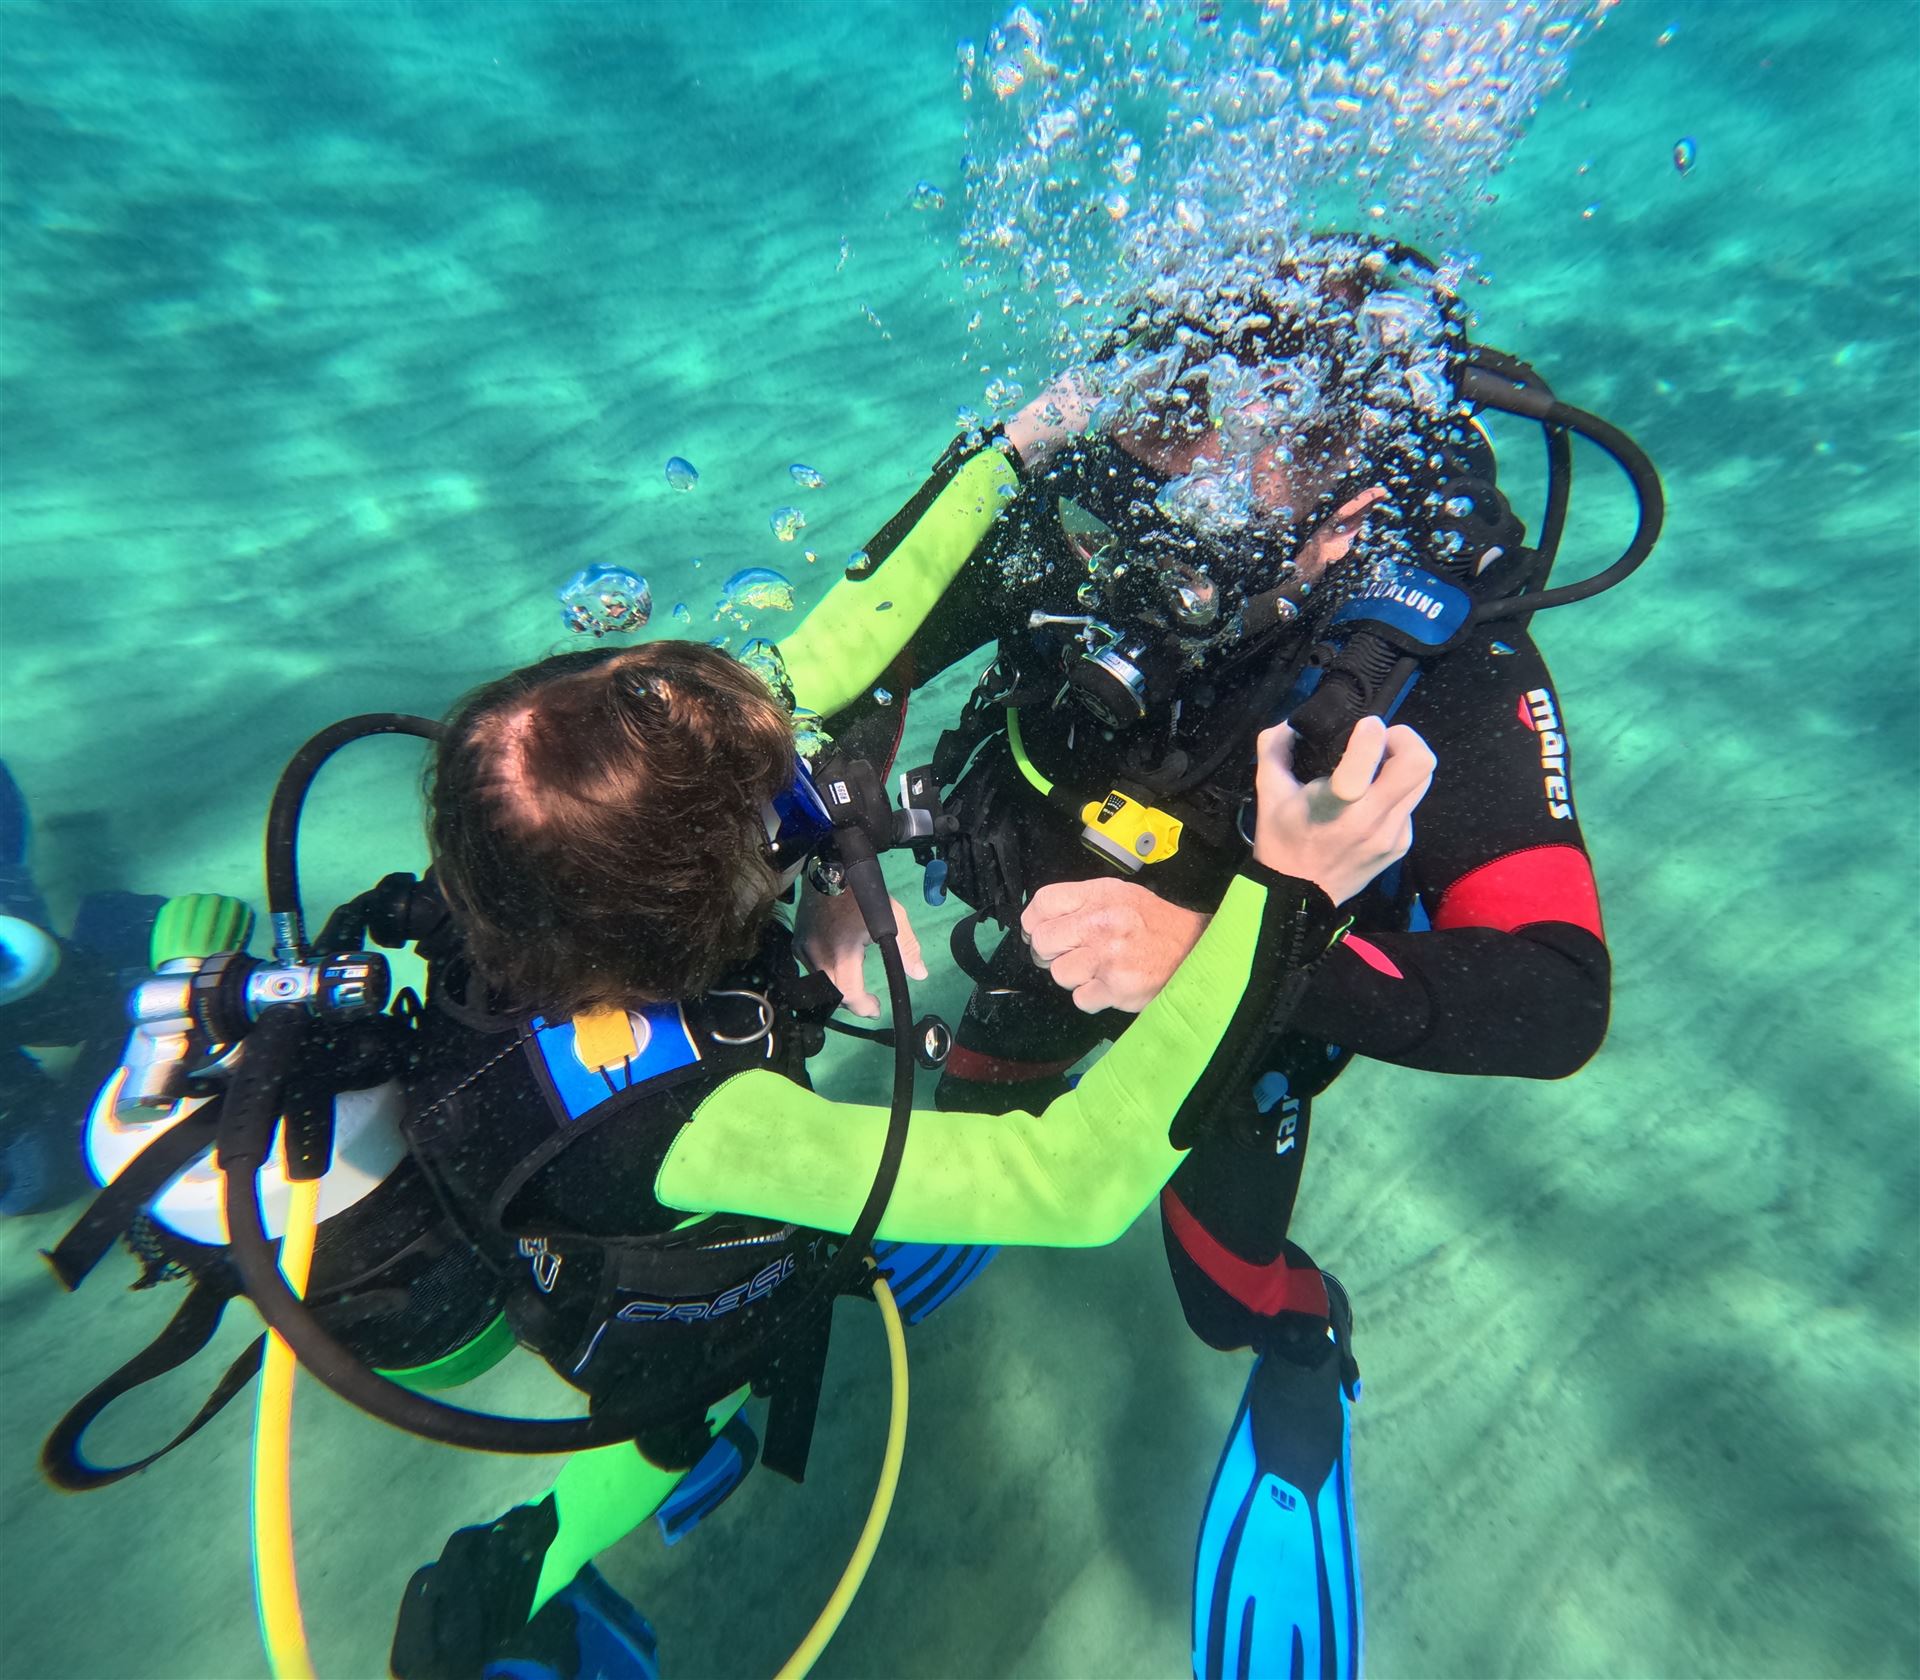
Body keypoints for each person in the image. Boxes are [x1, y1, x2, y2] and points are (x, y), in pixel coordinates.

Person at [773, 238, 1646, 1678]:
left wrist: (1231, 960)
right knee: (981, 1102)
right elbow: (869, 658)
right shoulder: (1094, 513)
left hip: (1252, 1015)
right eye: (1164, 441)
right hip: (1045, 923)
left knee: (1221, 1291)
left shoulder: (1438, 661)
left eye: (1251, 476)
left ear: (1357, 487)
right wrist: (835, 844)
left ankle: (1306, 1358)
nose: (1174, 523)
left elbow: (1558, 994)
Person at [383, 636, 1433, 1679]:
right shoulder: (703, 1127)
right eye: (780, 815)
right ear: (690, 910)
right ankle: (526, 1571)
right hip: (645, 1303)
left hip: (533, 1186)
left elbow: (853, 643)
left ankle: (562, 1539)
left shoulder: (532, 857)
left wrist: (820, 876)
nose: (804, 811)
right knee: (683, 1405)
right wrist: (1289, 893)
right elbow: (1074, 1182)